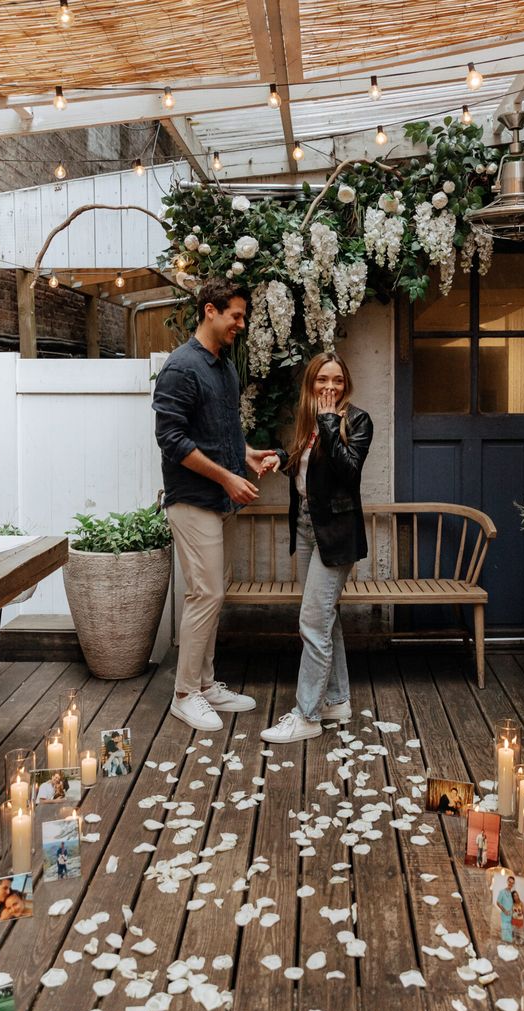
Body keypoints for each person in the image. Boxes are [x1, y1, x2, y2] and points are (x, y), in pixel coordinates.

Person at [153, 278, 277, 731]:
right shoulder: (181, 368)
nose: (240, 325)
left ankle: (205, 684)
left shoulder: (223, 368)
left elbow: (224, 434)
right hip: (193, 500)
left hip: (220, 499)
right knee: (206, 593)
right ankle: (184, 694)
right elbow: (170, 440)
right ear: (210, 310)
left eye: (243, 317)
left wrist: (248, 455)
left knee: (211, 593)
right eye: (236, 316)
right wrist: (227, 476)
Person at [258, 352, 373, 743]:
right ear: (311, 384)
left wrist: (328, 423)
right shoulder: (307, 423)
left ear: (346, 384)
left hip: (336, 533)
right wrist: (278, 457)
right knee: (326, 618)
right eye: (322, 379)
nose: (330, 387)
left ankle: (307, 715)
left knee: (312, 622)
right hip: (307, 528)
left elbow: (348, 471)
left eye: (337, 380)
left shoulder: (357, 421)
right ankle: (337, 701)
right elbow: (302, 467)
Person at [496, 875, 516, 943]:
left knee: (510, 933)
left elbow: (514, 904)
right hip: (504, 916)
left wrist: (512, 911)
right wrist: (504, 911)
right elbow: (498, 902)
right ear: (507, 882)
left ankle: (508, 946)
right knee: (504, 933)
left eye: (512, 883)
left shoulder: (513, 894)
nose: (510, 883)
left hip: (511, 916)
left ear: (513, 884)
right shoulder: (502, 892)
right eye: (509, 882)